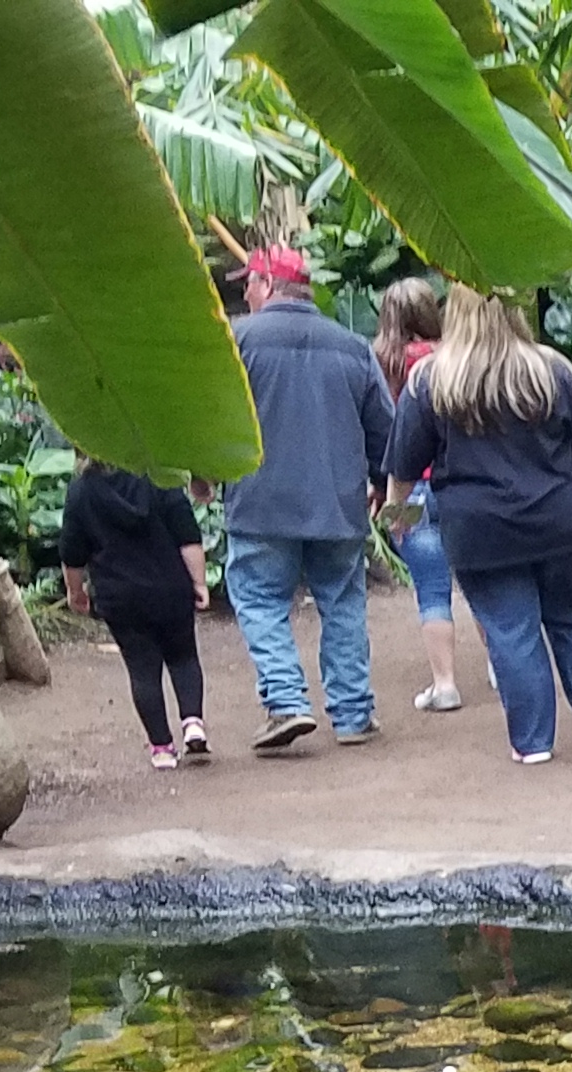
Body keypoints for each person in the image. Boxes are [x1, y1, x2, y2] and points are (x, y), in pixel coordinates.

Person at [390, 288, 572, 765]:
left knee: (512, 631)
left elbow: (405, 464)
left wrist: (397, 517)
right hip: (562, 518)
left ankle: (533, 742)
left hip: (481, 528)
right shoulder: (551, 369)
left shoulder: (431, 379)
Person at [223, 244, 391, 753]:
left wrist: (205, 474)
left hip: (260, 501)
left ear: (268, 285)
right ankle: (353, 713)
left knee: (259, 599)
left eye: (248, 284)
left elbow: (213, 415)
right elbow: (385, 428)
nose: (245, 294)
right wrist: (382, 483)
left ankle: (286, 700)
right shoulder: (352, 346)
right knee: (342, 603)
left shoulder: (237, 341)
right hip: (338, 503)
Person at [56, 460, 210, 770]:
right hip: (170, 587)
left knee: (142, 670)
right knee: (183, 657)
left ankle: (162, 748)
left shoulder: (81, 490)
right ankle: (193, 722)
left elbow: (72, 550)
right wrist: (199, 582)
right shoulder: (158, 474)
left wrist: (75, 591)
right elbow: (186, 533)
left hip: (120, 597)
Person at [369, 277, 466, 714]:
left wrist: (385, 498)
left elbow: (378, 432)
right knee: (483, 582)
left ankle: (445, 685)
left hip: (408, 491)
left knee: (431, 589)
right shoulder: (456, 358)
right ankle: (501, 669)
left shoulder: (379, 362)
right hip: (460, 484)